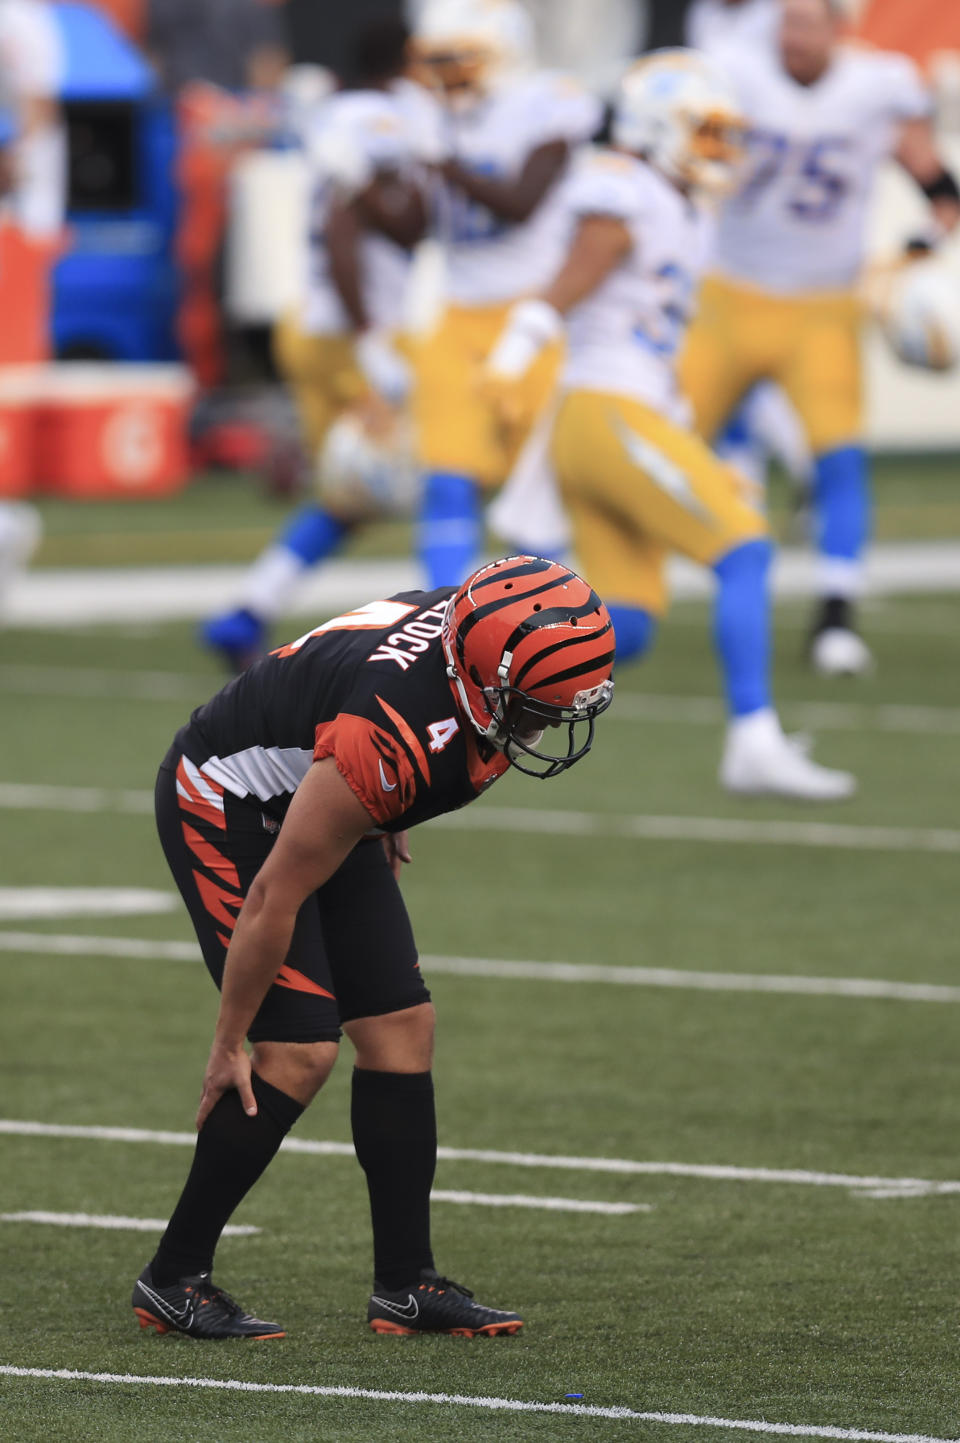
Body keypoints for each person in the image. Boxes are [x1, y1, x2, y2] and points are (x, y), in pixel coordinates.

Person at [132, 556, 615, 1338]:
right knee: (297, 1050)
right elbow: (271, 897)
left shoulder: (464, 642)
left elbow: (348, 697)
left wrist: (380, 814)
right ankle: (172, 1275)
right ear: (481, 676)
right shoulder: (387, 739)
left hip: (322, 785)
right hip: (227, 796)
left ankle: (405, 1284)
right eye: (530, 708)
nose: (542, 726)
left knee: (400, 1029)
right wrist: (228, 1040)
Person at [481, 50, 855, 800]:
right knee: (745, 549)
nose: (721, 150)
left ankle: (462, 688)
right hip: (604, 409)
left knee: (627, 630)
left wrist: (697, 444)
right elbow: (569, 280)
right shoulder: (627, 188)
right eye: (708, 133)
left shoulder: (679, 204)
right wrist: (514, 350)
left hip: (629, 413)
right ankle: (752, 739)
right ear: (659, 128)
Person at [679, 0, 960, 675]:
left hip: (822, 309)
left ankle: (836, 616)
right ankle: (602, 592)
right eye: (786, 21)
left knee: (838, 459)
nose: (792, 36)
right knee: (665, 437)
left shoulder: (877, 86)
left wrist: (918, 249)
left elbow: (939, 187)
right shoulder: (736, 72)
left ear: (841, 27)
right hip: (729, 296)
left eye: (807, 22)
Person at [203, 18, 436, 670]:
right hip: (351, 331)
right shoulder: (383, 120)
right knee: (436, 470)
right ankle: (451, 634)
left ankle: (247, 607)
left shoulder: (350, 113)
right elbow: (342, 224)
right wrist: (371, 340)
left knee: (351, 495)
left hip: (310, 322)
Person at [411, 0, 601, 588]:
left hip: (530, 321)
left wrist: (445, 164)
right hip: (456, 315)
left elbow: (521, 202)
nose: (447, 74)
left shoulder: (544, 104)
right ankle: (438, 618)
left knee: (534, 497)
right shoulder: (429, 115)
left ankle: (551, 635)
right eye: (438, 61)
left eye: (459, 60)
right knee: (445, 478)